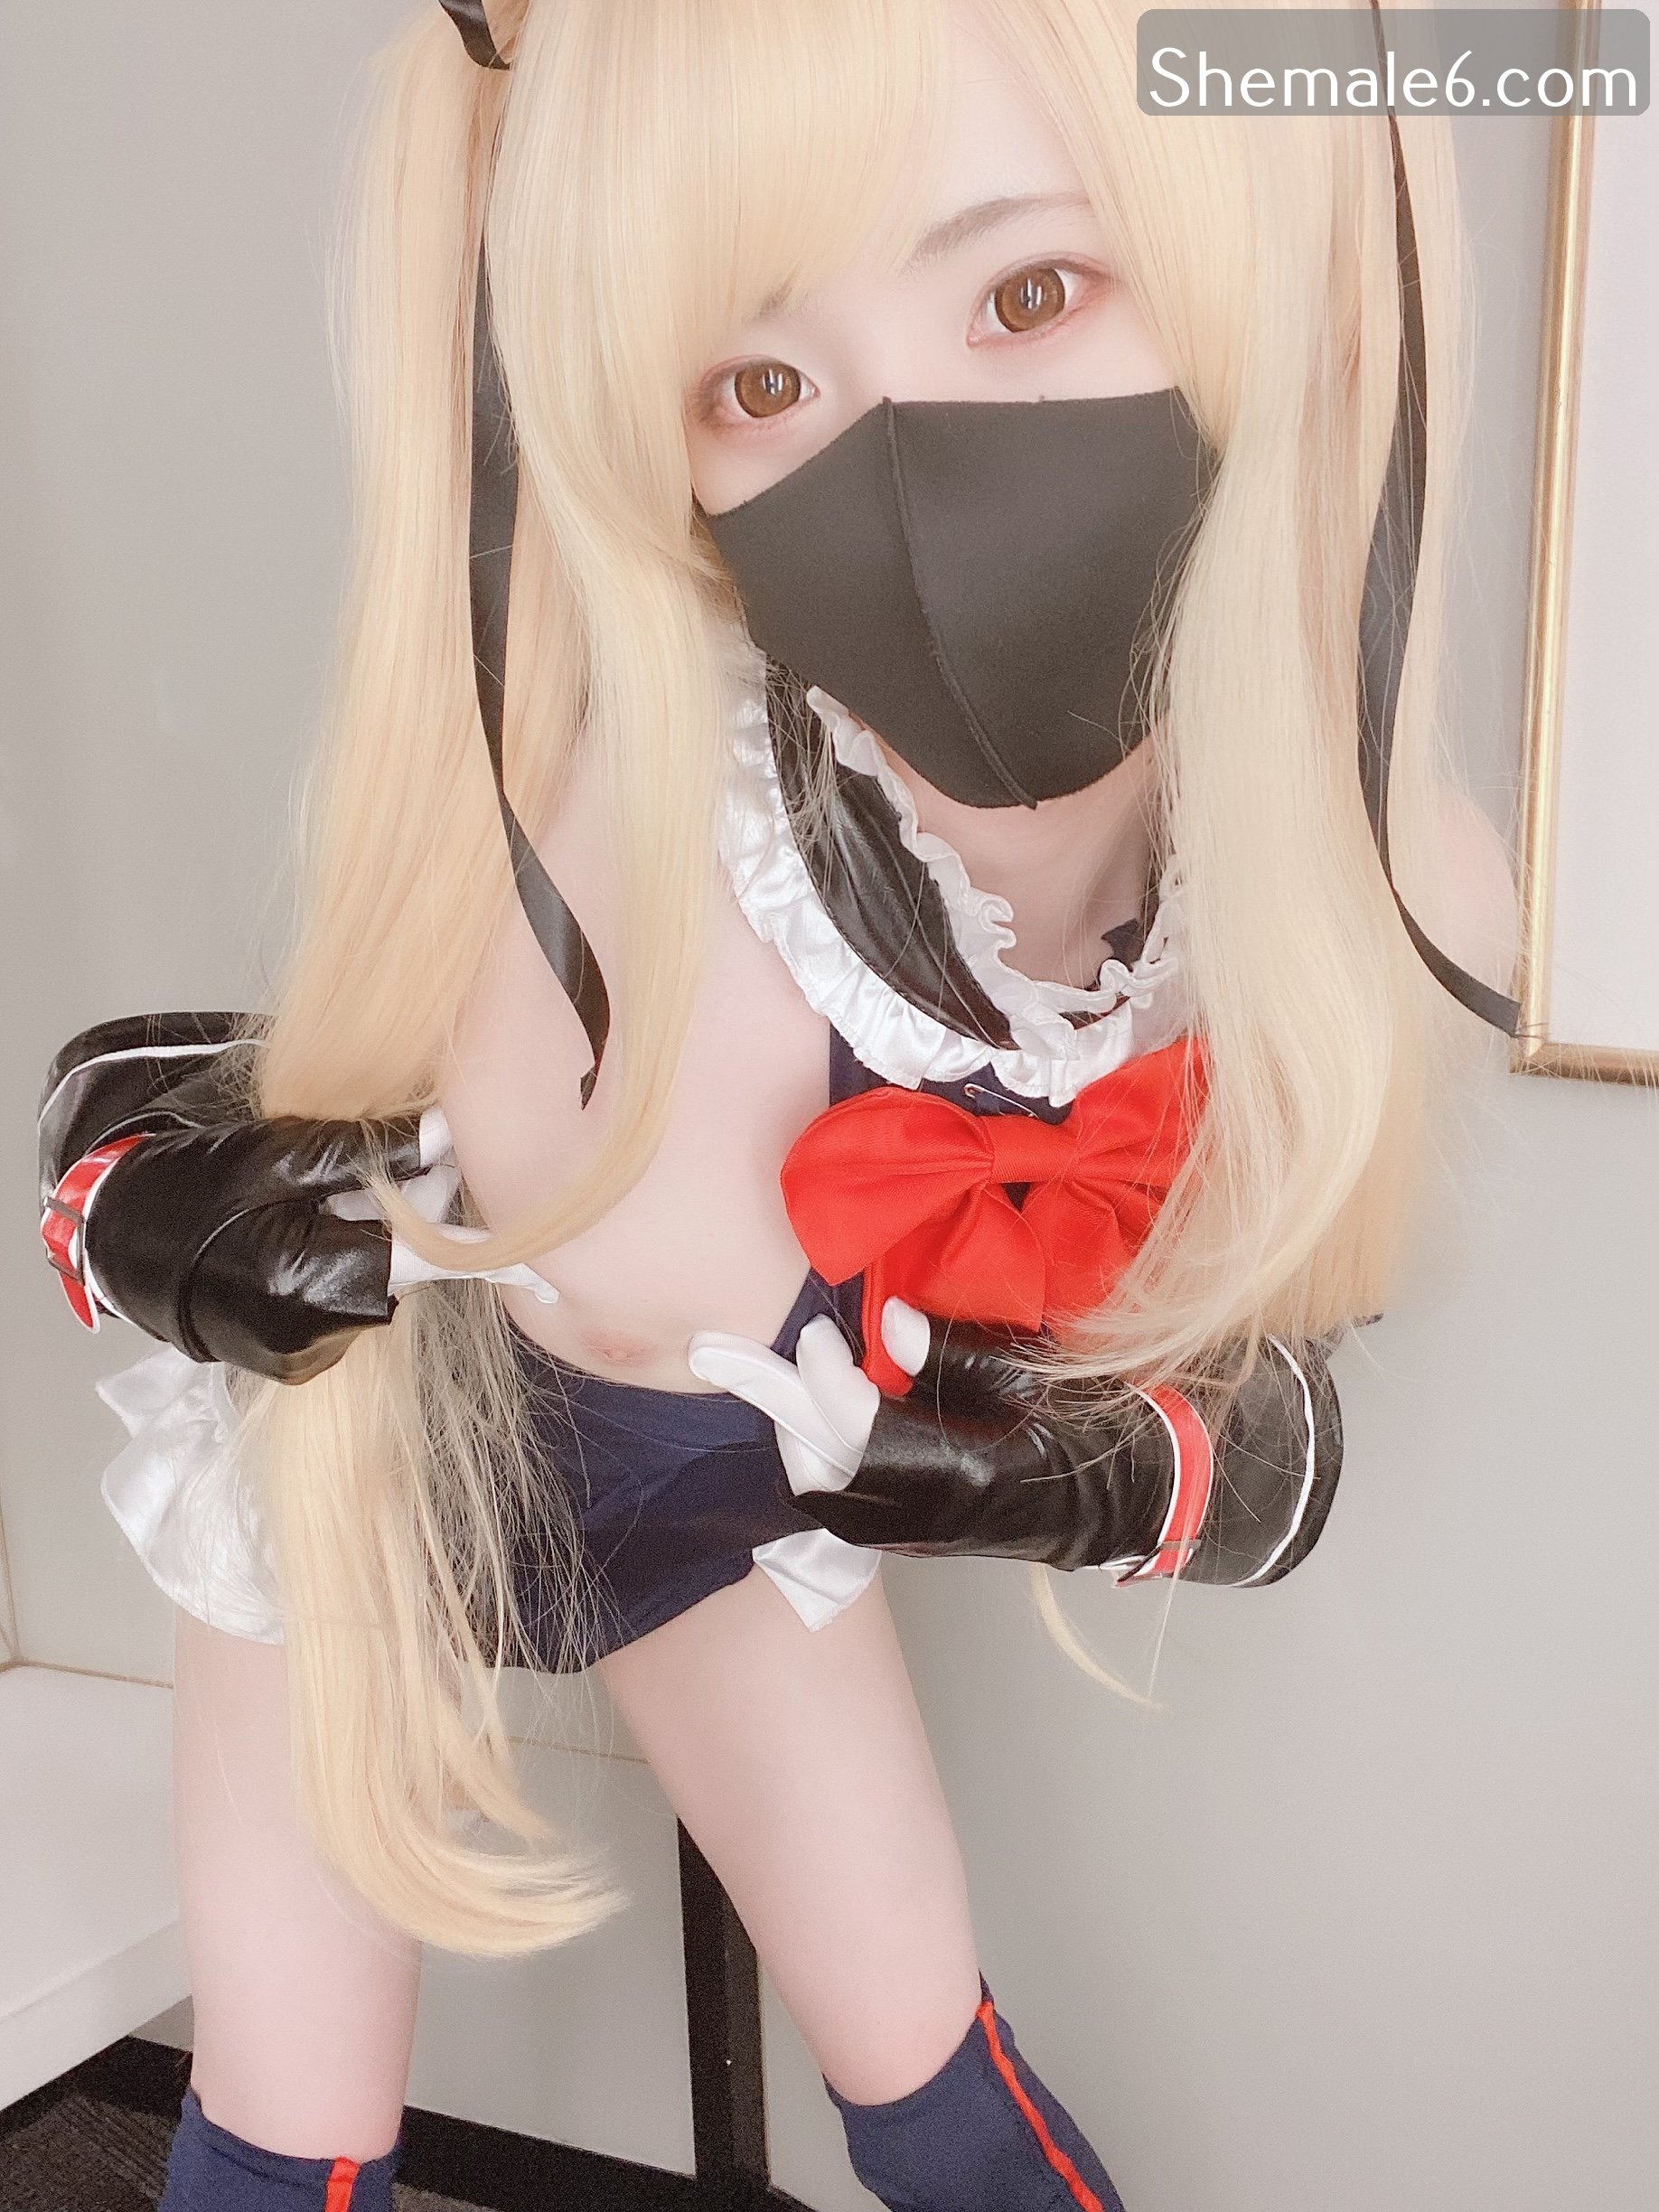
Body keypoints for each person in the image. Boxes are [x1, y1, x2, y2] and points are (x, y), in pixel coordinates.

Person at [35, 3, 1516, 2206]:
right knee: (293, 2130)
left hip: (725, 1511)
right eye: (754, 384)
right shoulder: (670, 867)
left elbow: (1274, 1374)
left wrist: (1096, 1457)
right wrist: (146, 1210)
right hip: (364, 1502)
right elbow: (341, 1132)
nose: (904, 465)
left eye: (1031, 289)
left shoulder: (1347, 878)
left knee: (939, 2079)